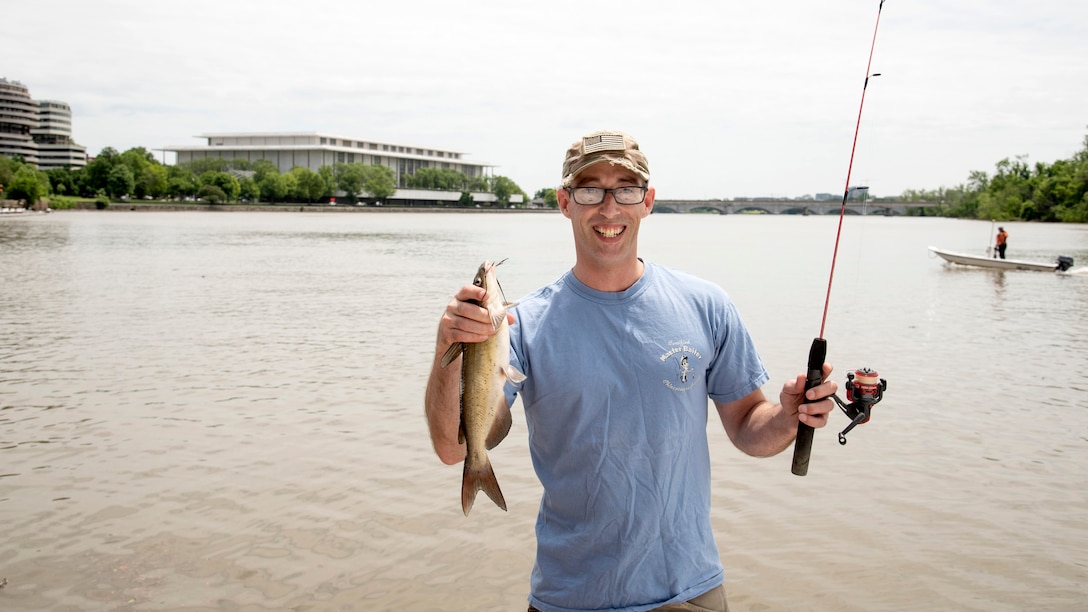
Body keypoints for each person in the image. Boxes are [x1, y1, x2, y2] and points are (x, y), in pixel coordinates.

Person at [424, 130, 838, 612]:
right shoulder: (522, 324)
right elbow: (453, 449)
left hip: (691, 592)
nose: (609, 206)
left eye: (625, 187)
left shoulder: (707, 305)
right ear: (564, 202)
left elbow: (749, 428)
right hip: (569, 598)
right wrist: (447, 346)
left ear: (648, 201)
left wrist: (788, 416)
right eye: (589, 189)